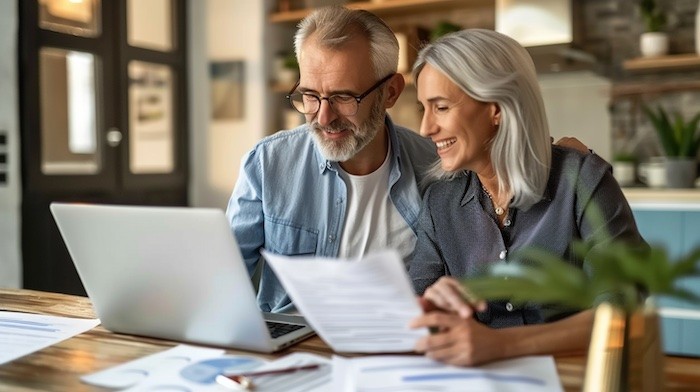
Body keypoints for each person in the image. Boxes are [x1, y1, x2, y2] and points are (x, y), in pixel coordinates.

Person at [406, 29, 645, 366]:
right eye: (424, 109)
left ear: (496, 108)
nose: (426, 128)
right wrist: (432, 305)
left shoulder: (582, 181)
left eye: (441, 107)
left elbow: (622, 309)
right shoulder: (440, 202)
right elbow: (415, 312)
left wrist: (500, 345)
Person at [225, 6, 437, 313]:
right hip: (292, 351)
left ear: (390, 92)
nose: (323, 117)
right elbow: (224, 286)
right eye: (310, 95)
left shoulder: (435, 168)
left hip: (393, 349)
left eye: (343, 97)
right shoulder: (266, 165)